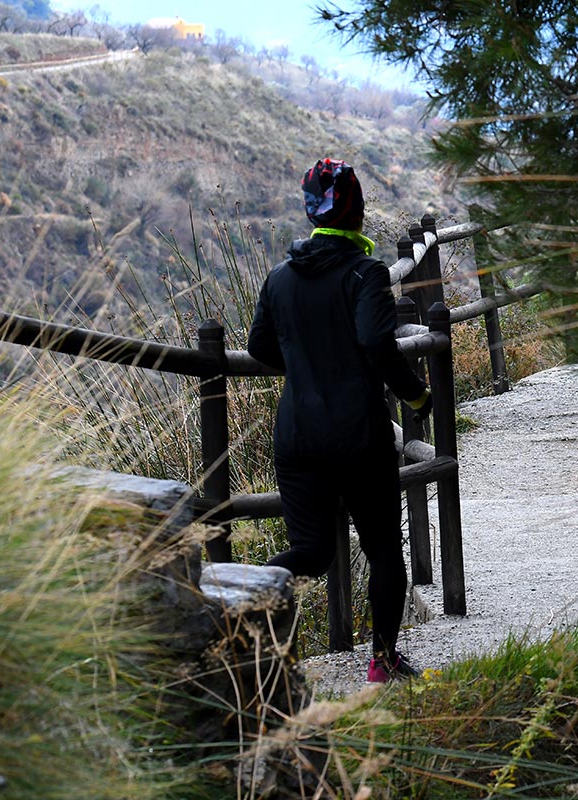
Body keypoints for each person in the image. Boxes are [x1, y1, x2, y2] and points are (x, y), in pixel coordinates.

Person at [247, 158, 432, 683]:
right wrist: (417, 397)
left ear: (312, 213)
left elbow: (261, 345)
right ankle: (382, 661)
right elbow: (377, 341)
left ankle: (241, 594)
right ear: (356, 211)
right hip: (358, 436)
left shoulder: (280, 277)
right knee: (382, 552)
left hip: (298, 435)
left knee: (310, 550)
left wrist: (308, 365)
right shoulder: (364, 272)